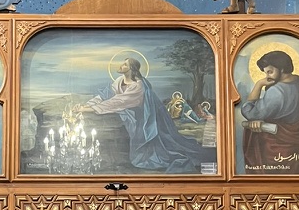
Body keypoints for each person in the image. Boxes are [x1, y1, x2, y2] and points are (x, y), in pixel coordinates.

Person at [78, 57, 206, 172]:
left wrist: (90, 109)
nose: (121, 66)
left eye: (124, 65)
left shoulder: (138, 85)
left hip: (141, 118)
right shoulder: (118, 81)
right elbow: (104, 95)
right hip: (124, 111)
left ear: (131, 69)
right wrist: (86, 105)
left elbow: (119, 101)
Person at [240, 50, 299, 173]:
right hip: (298, 147)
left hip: (277, 147)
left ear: (281, 68)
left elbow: (250, 113)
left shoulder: (276, 92)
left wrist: (259, 85)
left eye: (270, 72)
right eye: (266, 73)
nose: (267, 77)